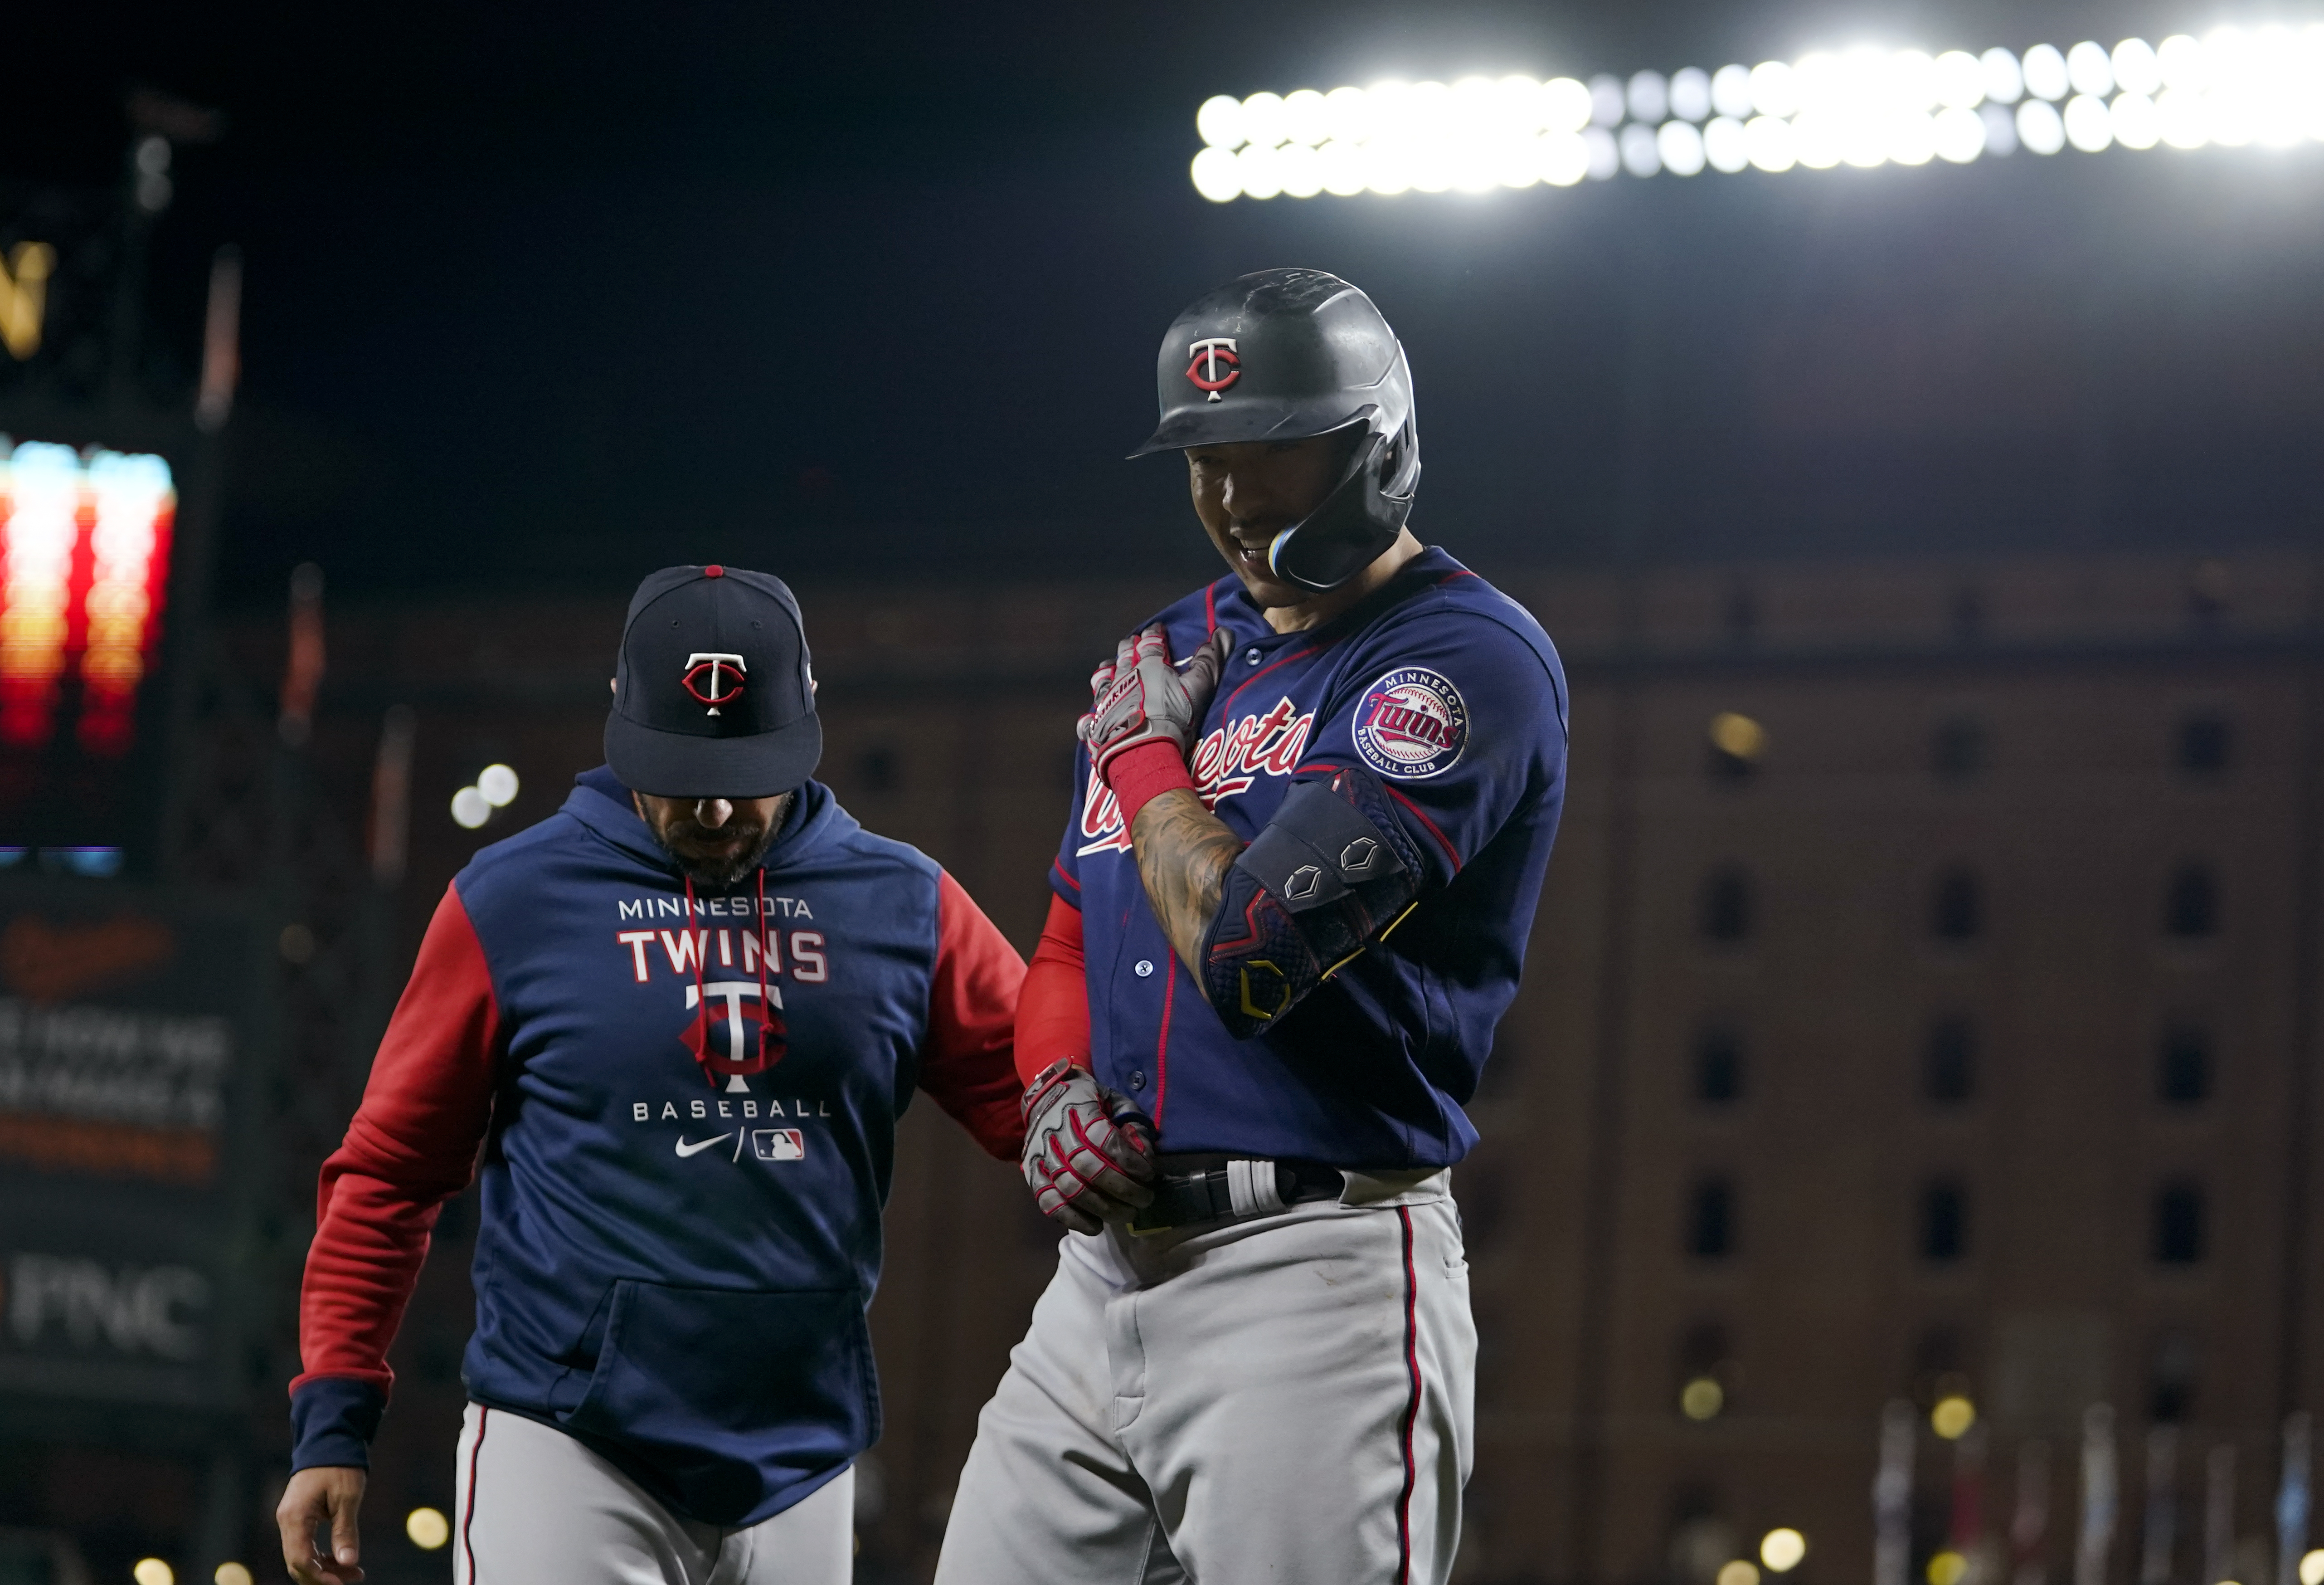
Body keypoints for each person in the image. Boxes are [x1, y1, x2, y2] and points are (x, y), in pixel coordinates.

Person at [938, 268, 1569, 1584]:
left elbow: (1253, 951)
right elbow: (1068, 931)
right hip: (1100, 1284)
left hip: (1315, 1276)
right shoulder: (1172, 645)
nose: (1230, 498)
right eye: (1204, 459)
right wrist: (1052, 1085)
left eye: (1271, 452)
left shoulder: (1460, 661)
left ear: (1375, 443)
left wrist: (1146, 767)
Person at [276, 564, 1026, 1585]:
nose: (712, 806)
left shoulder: (909, 905)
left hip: (801, 1459)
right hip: (569, 1443)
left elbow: (1054, 1112)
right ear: (621, 725)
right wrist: (333, 1418)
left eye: (743, 768)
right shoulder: (512, 900)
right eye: (677, 770)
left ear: (804, 730)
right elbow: (390, 1174)